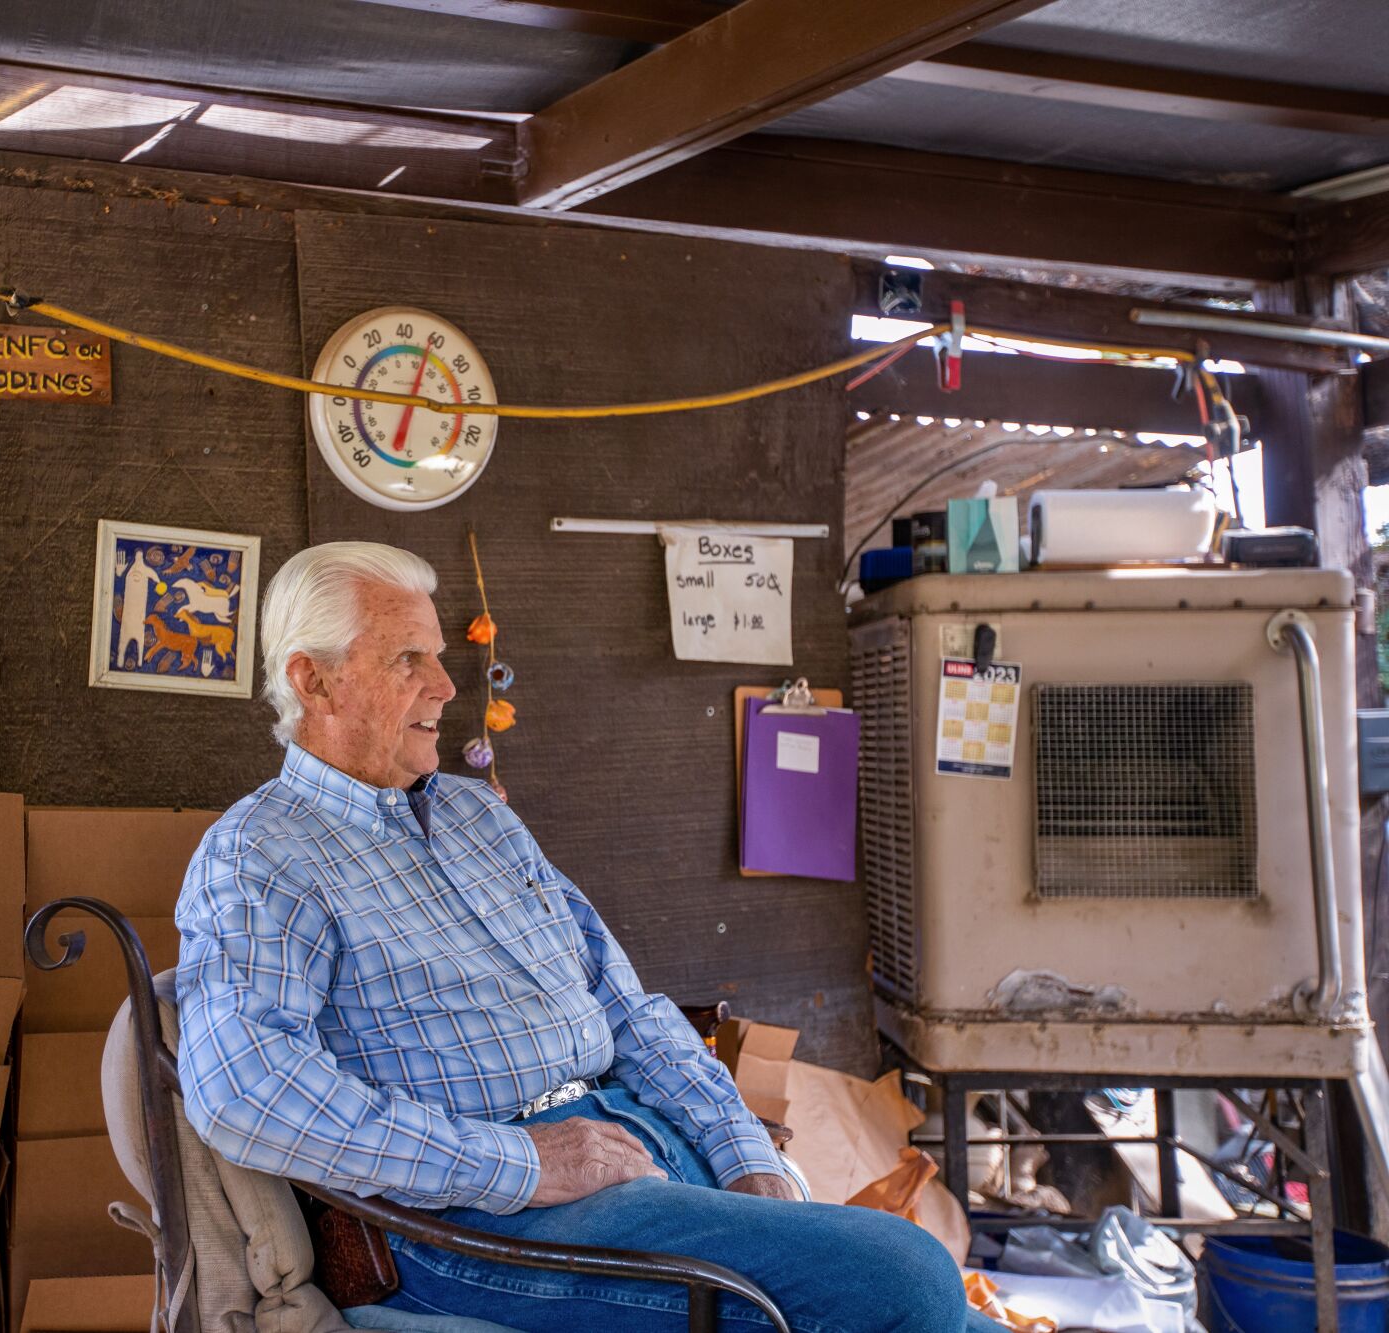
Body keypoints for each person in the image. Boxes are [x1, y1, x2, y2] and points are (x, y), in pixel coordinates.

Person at [175, 541, 988, 1332]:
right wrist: (524, 1163)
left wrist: (746, 1153)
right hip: (477, 1222)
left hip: (636, 1154)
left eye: (439, 656)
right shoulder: (261, 852)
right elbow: (245, 1088)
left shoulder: (475, 814)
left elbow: (622, 1004)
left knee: (959, 1317)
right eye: (407, 660)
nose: (447, 685)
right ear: (313, 681)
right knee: (906, 1273)